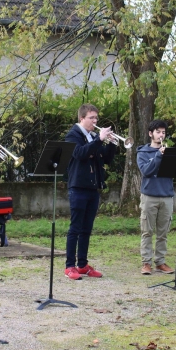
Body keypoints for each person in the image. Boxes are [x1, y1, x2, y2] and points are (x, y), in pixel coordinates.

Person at [64, 104, 116, 280]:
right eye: (92, 118)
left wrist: (112, 143)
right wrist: (99, 140)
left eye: (96, 118)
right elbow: (80, 154)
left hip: (93, 188)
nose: (95, 121)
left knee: (87, 229)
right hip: (78, 187)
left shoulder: (94, 136)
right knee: (75, 228)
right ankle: (69, 266)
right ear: (82, 118)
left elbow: (105, 158)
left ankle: (82, 265)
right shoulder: (73, 135)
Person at [136, 119, 175, 275]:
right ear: (150, 134)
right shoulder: (142, 153)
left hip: (167, 196)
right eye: (158, 132)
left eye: (163, 132)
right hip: (149, 196)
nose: (161, 135)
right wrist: (159, 156)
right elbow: (146, 171)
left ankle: (160, 262)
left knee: (163, 233)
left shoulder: (169, 151)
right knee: (147, 231)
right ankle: (146, 262)